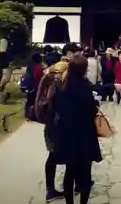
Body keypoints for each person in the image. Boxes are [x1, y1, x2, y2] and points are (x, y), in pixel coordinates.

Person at [52, 56, 102, 204]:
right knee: (85, 173)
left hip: (67, 134)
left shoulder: (63, 86)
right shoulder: (84, 87)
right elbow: (91, 109)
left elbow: (58, 108)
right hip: (84, 134)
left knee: (70, 172)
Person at [40, 42, 79, 203]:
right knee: (68, 153)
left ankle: (51, 189)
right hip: (61, 119)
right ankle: (74, 186)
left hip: (51, 118)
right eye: (76, 54)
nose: (77, 57)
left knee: (53, 153)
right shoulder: (66, 69)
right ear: (69, 53)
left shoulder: (50, 69)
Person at [22, 52, 44, 120]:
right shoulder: (38, 67)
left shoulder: (29, 66)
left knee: (29, 101)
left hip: (29, 86)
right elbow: (40, 78)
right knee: (35, 101)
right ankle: (33, 115)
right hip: (36, 87)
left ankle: (27, 115)